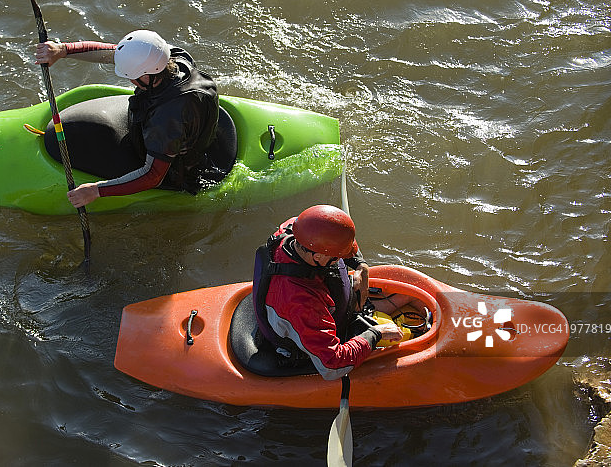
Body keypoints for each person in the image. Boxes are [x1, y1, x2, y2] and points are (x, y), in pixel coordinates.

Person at [35, 30, 221, 208]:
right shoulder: (174, 58)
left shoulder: (167, 118)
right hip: (185, 128)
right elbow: (114, 53)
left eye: (131, 76)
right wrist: (62, 50)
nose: (129, 80)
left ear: (147, 76)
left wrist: (95, 191)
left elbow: (153, 175)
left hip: (176, 166)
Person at [252, 205, 422, 380]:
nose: (341, 258)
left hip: (329, 310)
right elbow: (333, 365)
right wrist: (375, 334)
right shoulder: (300, 303)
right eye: (337, 257)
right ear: (317, 257)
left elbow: (341, 239)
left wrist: (361, 265)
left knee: (408, 296)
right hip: (311, 342)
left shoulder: (299, 229)